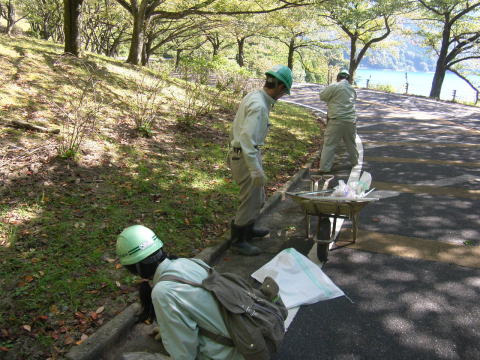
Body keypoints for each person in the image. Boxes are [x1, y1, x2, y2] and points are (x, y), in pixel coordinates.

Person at [116, 224, 244, 360]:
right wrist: (169, 330)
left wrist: (171, 336)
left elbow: (184, 355)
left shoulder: (163, 292)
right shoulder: (189, 262)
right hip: (242, 338)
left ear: (134, 269)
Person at [227, 65, 293, 256]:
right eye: (283, 92)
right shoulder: (259, 106)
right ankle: (238, 240)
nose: (282, 96)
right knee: (249, 199)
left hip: (243, 153)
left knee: (257, 197)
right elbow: (247, 139)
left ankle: (247, 229)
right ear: (280, 87)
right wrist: (255, 170)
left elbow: (236, 128)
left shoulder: (253, 96)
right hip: (246, 156)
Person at [318, 69, 359, 173]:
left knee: (329, 144)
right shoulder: (352, 89)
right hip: (350, 121)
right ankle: (355, 162)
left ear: (338, 77)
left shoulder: (334, 86)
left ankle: (324, 168)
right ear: (349, 79)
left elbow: (322, 96)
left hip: (336, 120)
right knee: (351, 143)